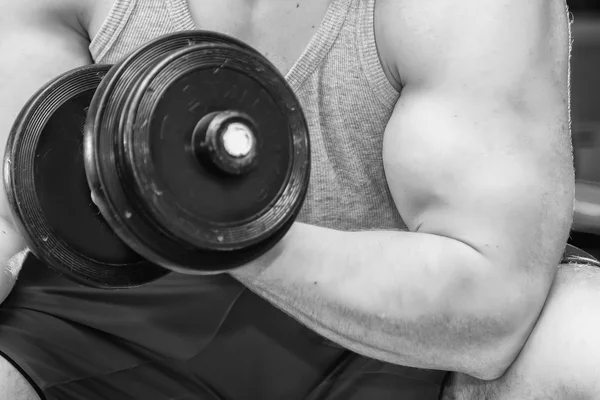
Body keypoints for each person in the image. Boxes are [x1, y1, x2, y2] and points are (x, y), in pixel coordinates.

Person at [0, 0, 582, 399]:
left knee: (582, 345)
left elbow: (488, 304)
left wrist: (209, 221)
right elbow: (9, 216)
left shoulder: (462, 13)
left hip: (386, 336)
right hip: (118, 322)